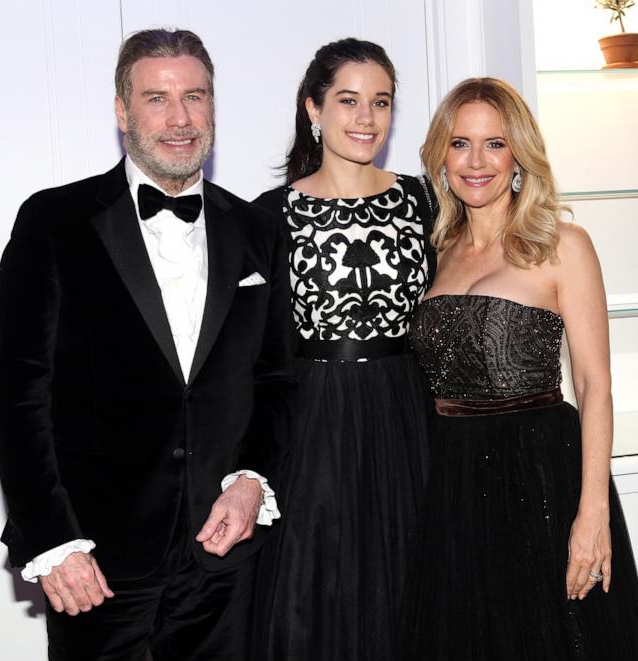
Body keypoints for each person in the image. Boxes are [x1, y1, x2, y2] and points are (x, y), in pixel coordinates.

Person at [0, 28, 294, 661]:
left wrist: (250, 482)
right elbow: (18, 396)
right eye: (157, 98)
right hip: (95, 563)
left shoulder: (258, 228)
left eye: (196, 96)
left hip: (226, 557)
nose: (180, 118)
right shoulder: (53, 222)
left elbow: (276, 378)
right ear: (122, 111)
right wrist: (53, 542)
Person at [402, 77, 638, 660]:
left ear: (519, 154)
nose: (476, 161)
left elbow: (594, 386)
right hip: (453, 481)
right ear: (442, 153)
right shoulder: (438, 251)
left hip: (541, 473)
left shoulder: (563, 244)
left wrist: (592, 513)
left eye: (494, 144)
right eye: (460, 142)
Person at [251, 38, 436, 661]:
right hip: (312, 423)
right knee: (312, 597)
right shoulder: (270, 215)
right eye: (348, 101)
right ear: (314, 109)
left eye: (380, 103)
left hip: (408, 415)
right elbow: (254, 352)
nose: (366, 118)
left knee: (411, 585)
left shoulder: (424, 200)